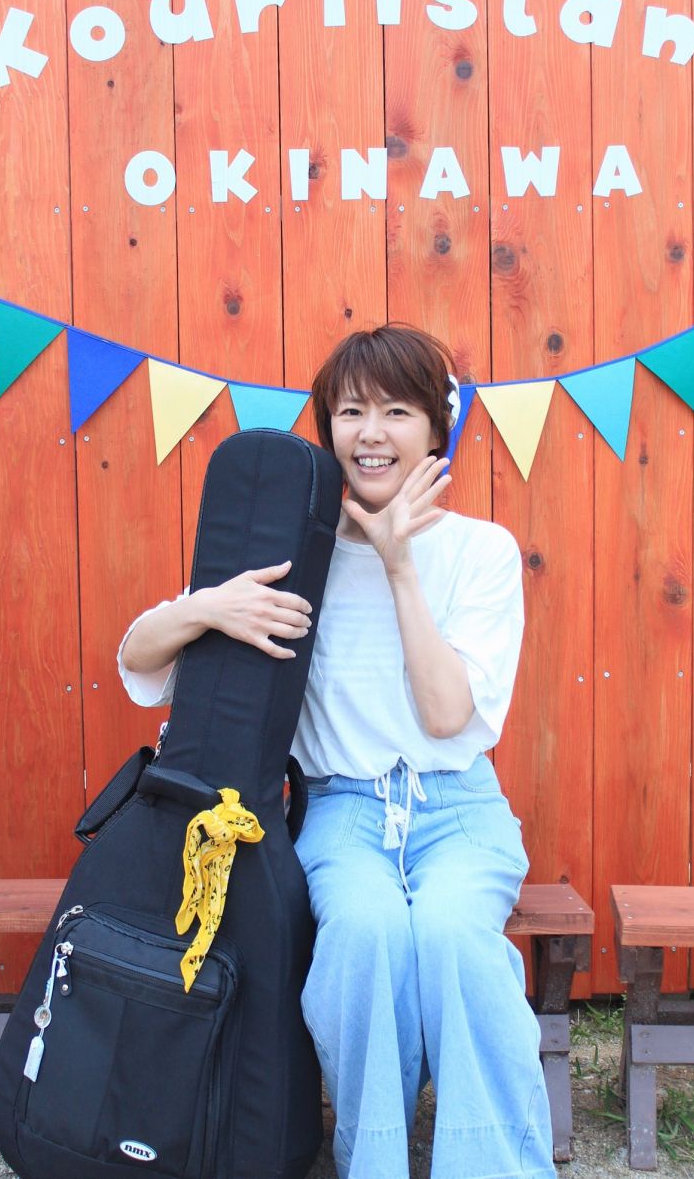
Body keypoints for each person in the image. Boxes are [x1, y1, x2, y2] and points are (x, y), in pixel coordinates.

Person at [118, 325, 556, 1179]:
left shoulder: (482, 551)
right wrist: (207, 609)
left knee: (457, 938)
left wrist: (399, 566)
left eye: (397, 411)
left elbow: (446, 715)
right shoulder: (294, 553)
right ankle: (375, 1162)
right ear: (328, 429)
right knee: (361, 935)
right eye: (351, 411)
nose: (371, 433)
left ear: (437, 428)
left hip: (458, 809)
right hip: (342, 810)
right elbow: (139, 664)